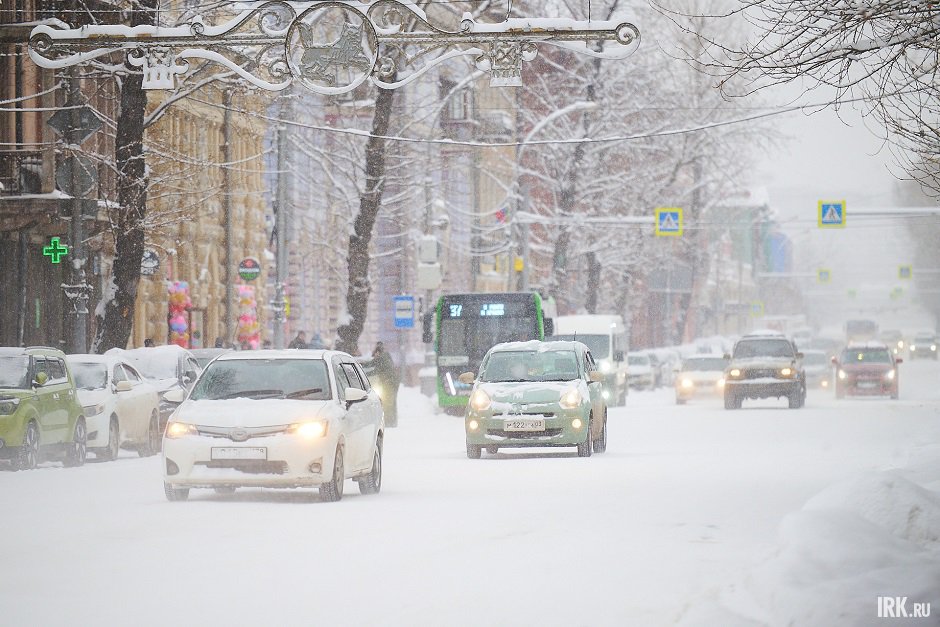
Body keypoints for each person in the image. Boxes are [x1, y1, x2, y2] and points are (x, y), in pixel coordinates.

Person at [363, 341, 399, 427]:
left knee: (387, 402)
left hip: (389, 383)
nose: (374, 357)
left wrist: (361, 373)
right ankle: (393, 421)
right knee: (392, 402)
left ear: (377, 353)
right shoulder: (386, 356)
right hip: (394, 382)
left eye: (375, 355)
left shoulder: (380, 358)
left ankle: (389, 422)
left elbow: (372, 368)